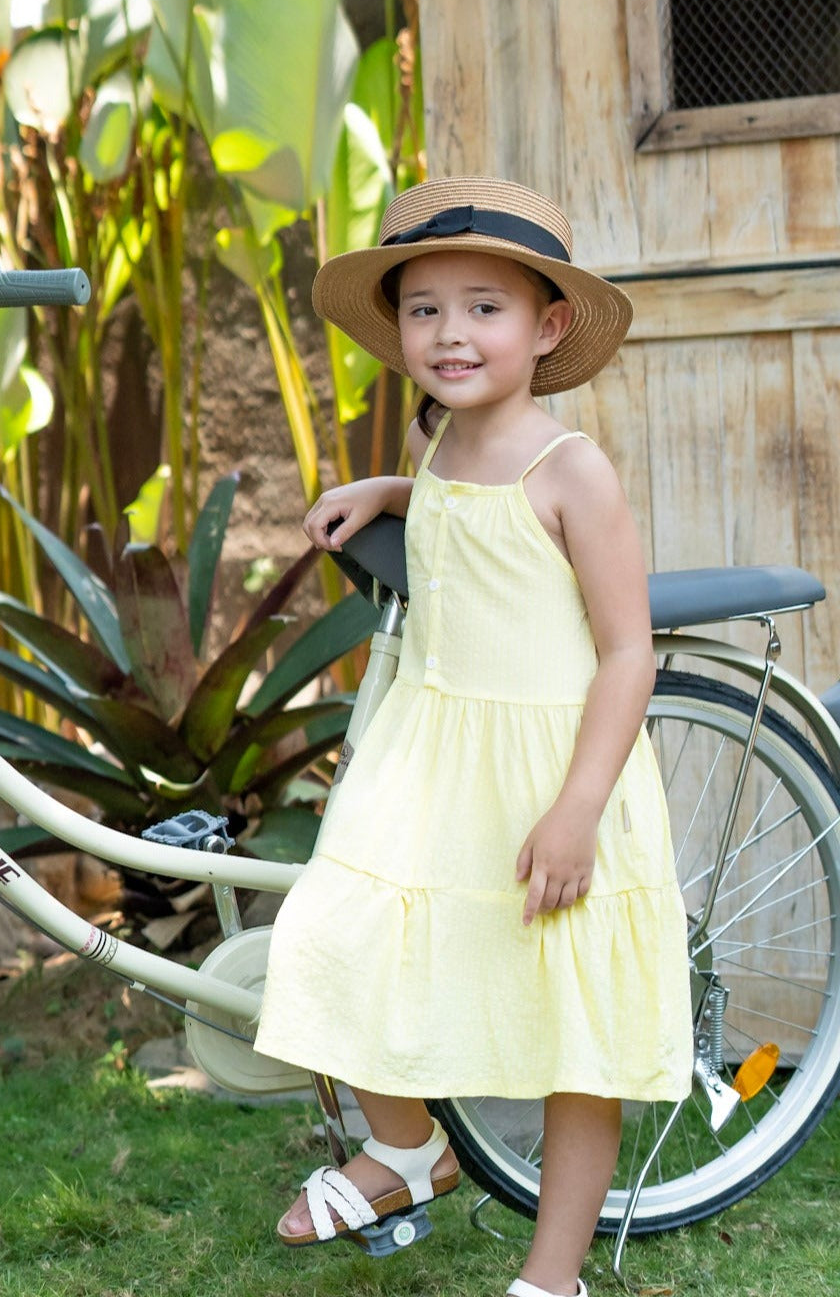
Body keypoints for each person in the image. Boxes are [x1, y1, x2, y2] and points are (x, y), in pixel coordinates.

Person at [253, 177, 692, 1297]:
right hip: (434, 759)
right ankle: (408, 1142)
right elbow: (463, 506)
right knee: (328, 936)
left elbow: (627, 650)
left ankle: (551, 1278)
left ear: (546, 328)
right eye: (426, 308)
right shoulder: (446, 445)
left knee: (569, 1035)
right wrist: (394, 486)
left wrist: (578, 808)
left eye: (485, 307)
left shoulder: (572, 468)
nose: (452, 333)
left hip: (550, 771)